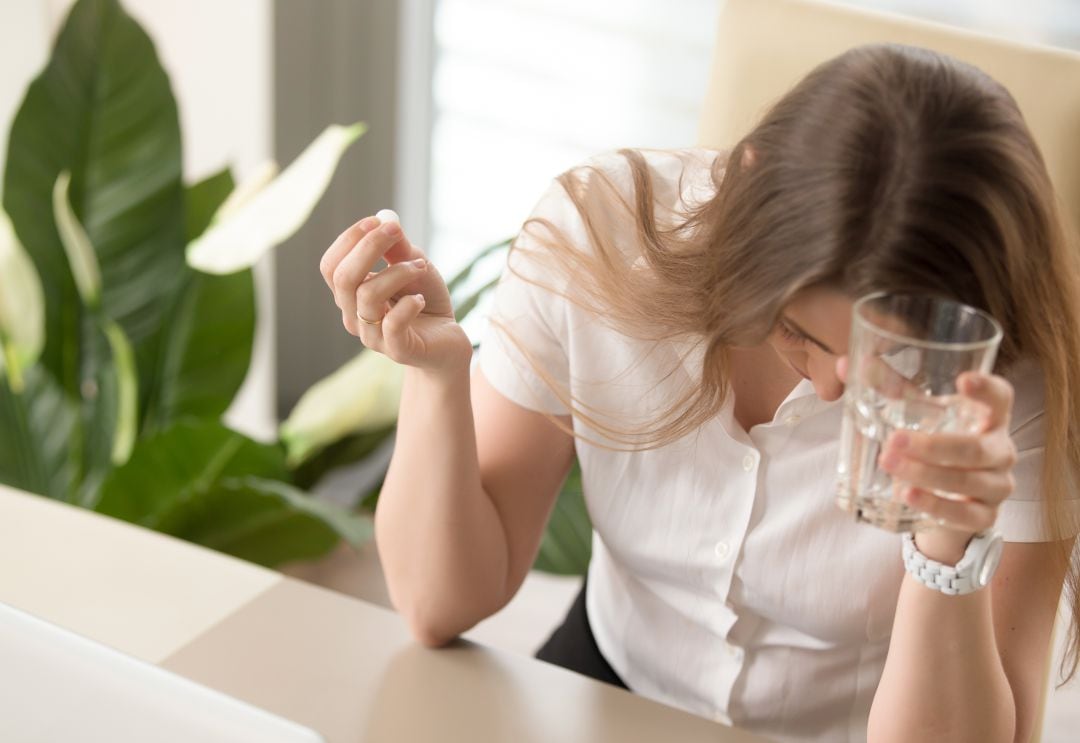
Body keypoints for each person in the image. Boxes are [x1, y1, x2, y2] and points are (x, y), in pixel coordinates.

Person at [319, 44, 1080, 743]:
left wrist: (944, 544)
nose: (832, 387)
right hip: (610, 685)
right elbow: (435, 603)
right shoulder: (598, 238)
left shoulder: (1008, 376)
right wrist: (438, 374)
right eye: (800, 331)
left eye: (889, 363)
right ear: (747, 199)